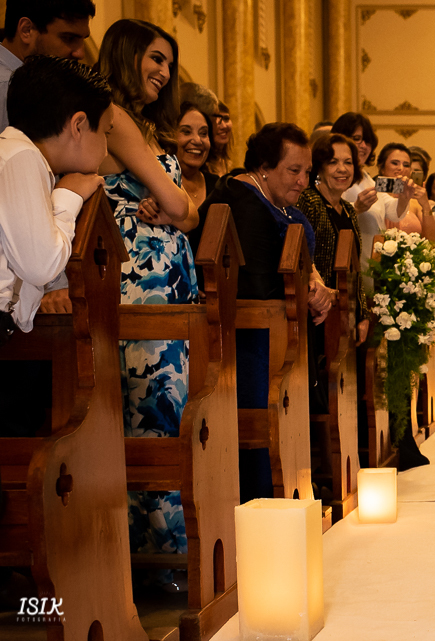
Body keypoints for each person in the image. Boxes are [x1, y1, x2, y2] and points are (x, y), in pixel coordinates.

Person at [96, 18, 200, 592]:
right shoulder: (110, 115)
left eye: (169, 63)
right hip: (141, 280)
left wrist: (179, 208)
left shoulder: (144, 126)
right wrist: (178, 206)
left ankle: (161, 557)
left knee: (170, 412)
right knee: (152, 412)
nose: (164, 72)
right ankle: (156, 562)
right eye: (155, 59)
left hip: (166, 276)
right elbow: (174, 200)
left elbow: (188, 211)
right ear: (127, 54)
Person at [197, 122, 334, 500]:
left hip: (279, 333)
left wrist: (316, 284)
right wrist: (308, 293)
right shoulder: (242, 204)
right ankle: (264, 503)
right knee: (263, 424)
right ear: (263, 166)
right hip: (254, 341)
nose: (304, 181)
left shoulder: (274, 202)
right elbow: (257, 287)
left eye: (308, 172)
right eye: (294, 170)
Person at [0, 55, 111, 337]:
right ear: (78, 125)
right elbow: (41, 265)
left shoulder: (17, 152)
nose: (107, 150)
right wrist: (68, 195)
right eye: (106, 132)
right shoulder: (21, 155)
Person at [297, 132, 369, 343]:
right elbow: (302, 259)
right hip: (316, 313)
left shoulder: (348, 209)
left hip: (345, 313)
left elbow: (355, 268)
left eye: (348, 162)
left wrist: (362, 314)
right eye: (333, 162)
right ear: (319, 167)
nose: (342, 169)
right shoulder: (308, 201)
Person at [0, 0, 96, 130]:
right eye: (69, 38)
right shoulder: (7, 89)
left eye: (83, 39)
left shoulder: (38, 81)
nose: (80, 54)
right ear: (26, 30)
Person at [332, 111, 378, 214]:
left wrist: (404, 196)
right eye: (357, 139)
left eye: (368, 141)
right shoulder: (332, 174)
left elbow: (392, 212)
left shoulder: (366, 178)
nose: (364, 146)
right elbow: (329, 211)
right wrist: (356, 207)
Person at [174, 101, 217, 208]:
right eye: (186, 132)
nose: (198, 141)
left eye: (203, 133)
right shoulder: (159, 182)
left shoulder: (217, 186)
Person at [205, 101, 233, 175]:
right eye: (217, 121)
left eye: (226, 119)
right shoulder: (200, 165)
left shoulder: (226, 163)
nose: (224, 126)